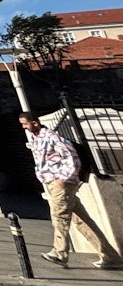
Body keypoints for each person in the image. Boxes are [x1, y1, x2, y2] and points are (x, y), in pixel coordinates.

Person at [20, 112, 122, 270]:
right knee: (82, 221)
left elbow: (71, 157)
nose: (24, 127)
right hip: (52, 183)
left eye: (25, 124)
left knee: (59, 215)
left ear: (35, 123)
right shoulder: (36, 139)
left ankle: (59, 253)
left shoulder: (52, 137)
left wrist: (63, 179)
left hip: (61, 184)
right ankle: (111, 257)